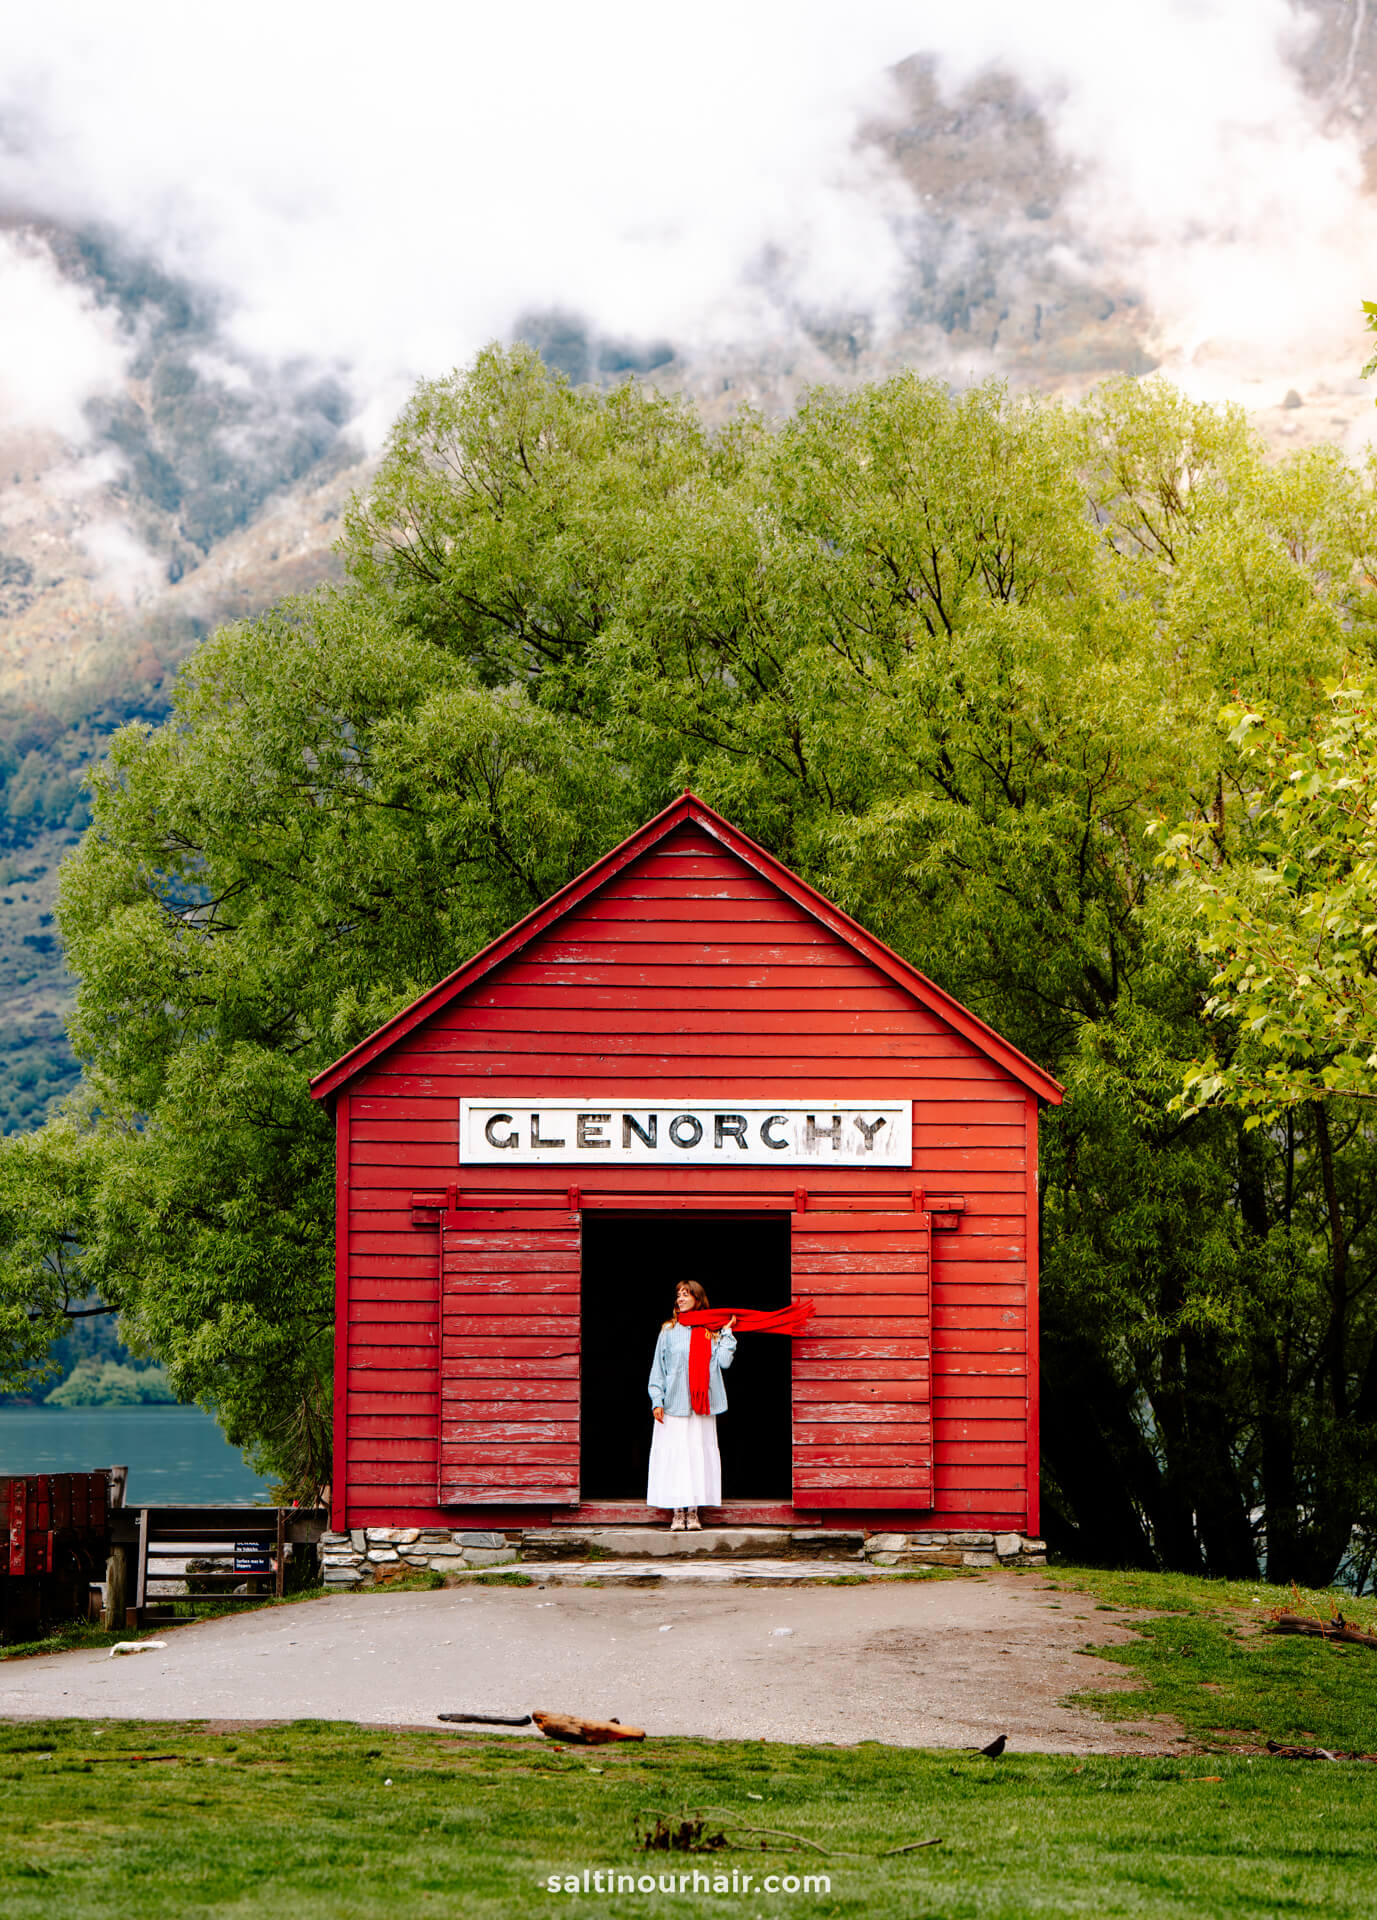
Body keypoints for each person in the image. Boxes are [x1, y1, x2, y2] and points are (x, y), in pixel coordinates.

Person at [646, 1281, 737, 1531]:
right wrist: (657, 1399)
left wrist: (727, 1332)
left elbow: (724, 1363)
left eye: (686, 1295)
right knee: (677, 1458)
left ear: (698, 1299)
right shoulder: (668, 1330)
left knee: (696, 1457)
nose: (681, 1299)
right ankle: (677, 1513)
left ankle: (694, 1513)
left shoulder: (712, 1331)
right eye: (678, 1295)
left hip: (702, 1406)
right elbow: (658, 1369)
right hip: (674, 1404)